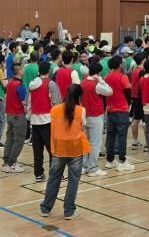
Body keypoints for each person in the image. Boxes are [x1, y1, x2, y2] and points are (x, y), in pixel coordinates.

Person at [39, 84, 89, 220]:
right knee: (73, 180)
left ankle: (45, 208)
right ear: (79, 96)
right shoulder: (81, 110)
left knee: (53, 178)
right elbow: (83, 124)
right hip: (75, 148)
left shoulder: (54, 109)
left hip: (59, 148)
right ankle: (69, 211)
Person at [28, 61, 62, 182]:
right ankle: (55, 173)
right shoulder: (51, 84)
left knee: (37, 150)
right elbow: (57, 102)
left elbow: (28, 102)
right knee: (53, 149)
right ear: (48, 71)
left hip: (34, 121)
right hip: (47, 120)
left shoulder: (32, 84)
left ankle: (38, 174)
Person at [104, 56, 136, 170]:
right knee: (122, 137)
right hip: (122, 110)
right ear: (120, 65)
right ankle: (122, 161)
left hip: (110, 110)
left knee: (111, 136)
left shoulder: (106, 77)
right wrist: (128, 104)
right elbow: (128, 92)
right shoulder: (123, 77)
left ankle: (110, 160)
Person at [81, 62, 113, 175]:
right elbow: (110, 91)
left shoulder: (82, 83)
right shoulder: (97, 85)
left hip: (84, 116)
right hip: (96, 116)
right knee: (95, 143)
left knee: (85, 143)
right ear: (98, 72)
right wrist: (102, 81)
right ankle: (93, 168)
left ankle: (83, 166)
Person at [2, 63, 27, 173]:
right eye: (22, 69)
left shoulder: (10, 82)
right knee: (19, 140)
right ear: (20, 71)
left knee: (10, 139)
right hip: (18, 115)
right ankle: (12, 164)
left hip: (10, 115)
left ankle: (6, 163)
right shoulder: (20, 85)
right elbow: (24, 102)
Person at [129, 52, 146, 150]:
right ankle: (148, 144)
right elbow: (143, 86)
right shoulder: (142, 72)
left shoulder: (134, 70)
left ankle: (135, 142)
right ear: (143, 60)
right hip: (141, 98)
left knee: (136, 120)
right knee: (145, 121)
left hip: (134, 98)